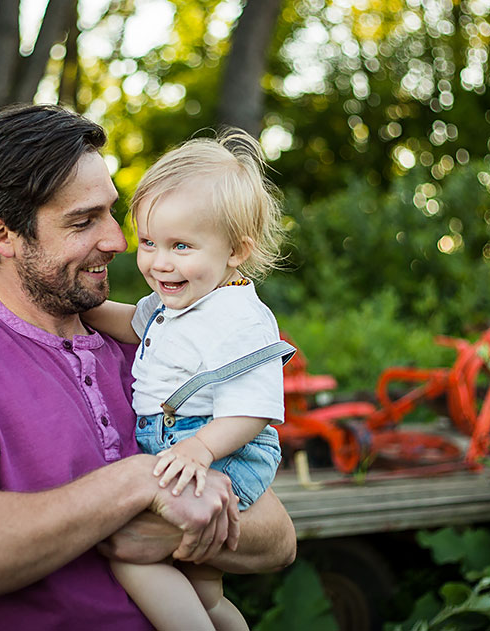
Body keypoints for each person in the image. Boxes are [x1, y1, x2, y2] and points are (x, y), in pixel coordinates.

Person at [0, 103, 296, 630]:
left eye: (112, 212)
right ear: (0, 236)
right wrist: (139, 485)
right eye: (83, 221)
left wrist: (165, 532)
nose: (117, 240)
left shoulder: (159, 340)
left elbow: (277, 538)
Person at [82, 129, 291, 631]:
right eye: (149, 242)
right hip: (179, 444)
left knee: (134, 554)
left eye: (181, 245)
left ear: (236, 251)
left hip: (219, 451)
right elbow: (135, 321)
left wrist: (199, 450)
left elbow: (253, 409)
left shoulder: (239, 318)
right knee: (202, 589)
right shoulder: (185, 301)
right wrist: (81, 308)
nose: (159, 262)